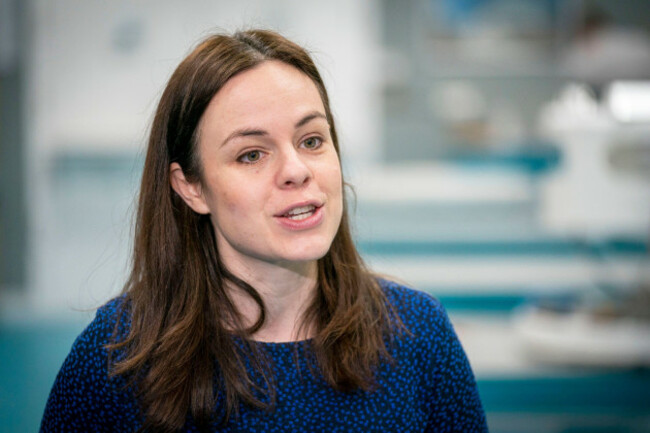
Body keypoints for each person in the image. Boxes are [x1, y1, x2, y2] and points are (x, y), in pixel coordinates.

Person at [40, 29, 487, 432]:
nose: (296, 170)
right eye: (251, 154)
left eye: (312, 141)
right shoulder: (116, 358)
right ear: (191, 187)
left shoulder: (417, 334)